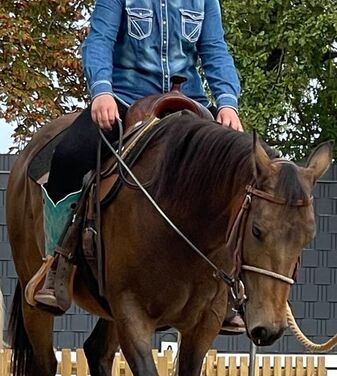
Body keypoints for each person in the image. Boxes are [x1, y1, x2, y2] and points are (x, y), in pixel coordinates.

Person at [34, 0, 244, 332]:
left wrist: (228, 103)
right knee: (69, 156)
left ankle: (232, 288)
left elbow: (215, 51)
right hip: (124, 99)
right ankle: (57, 264)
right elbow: (99, 40)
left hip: (189, 106)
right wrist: (101, 91)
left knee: (239, 171)